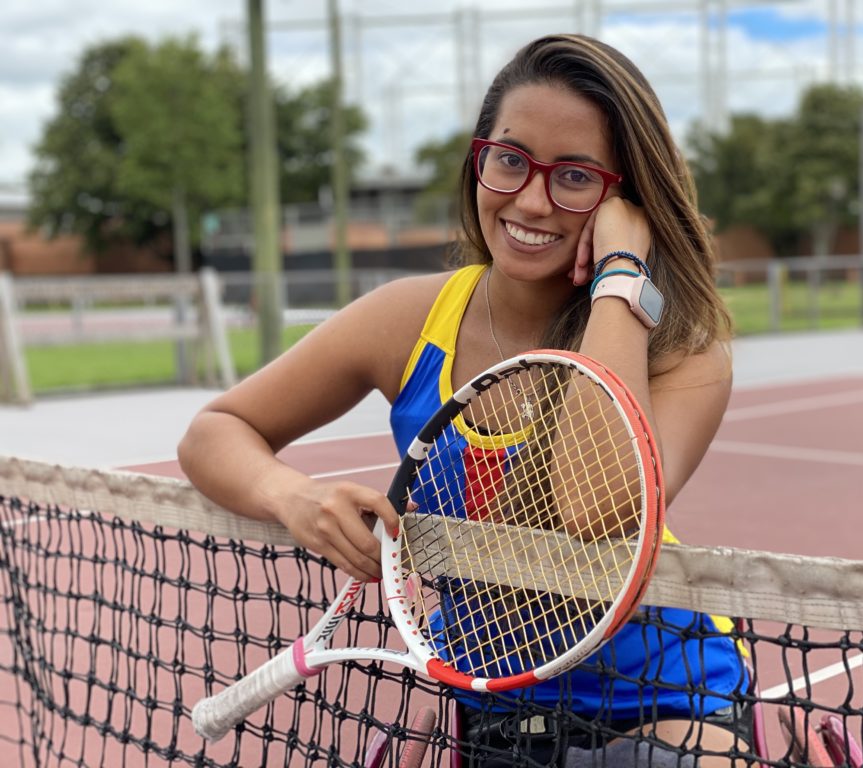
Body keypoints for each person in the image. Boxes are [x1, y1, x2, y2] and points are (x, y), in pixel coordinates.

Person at [179, 33, 747, 767]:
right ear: (479, 159)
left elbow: (590, 506)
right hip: (489, 695)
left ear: (626, 196)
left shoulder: (682, 351)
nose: (531, 199)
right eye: (510, 160)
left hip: (667, 703)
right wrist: (292, 497)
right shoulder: (409, 319)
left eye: (574, 176)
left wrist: (621, 274)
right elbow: (215, 430)